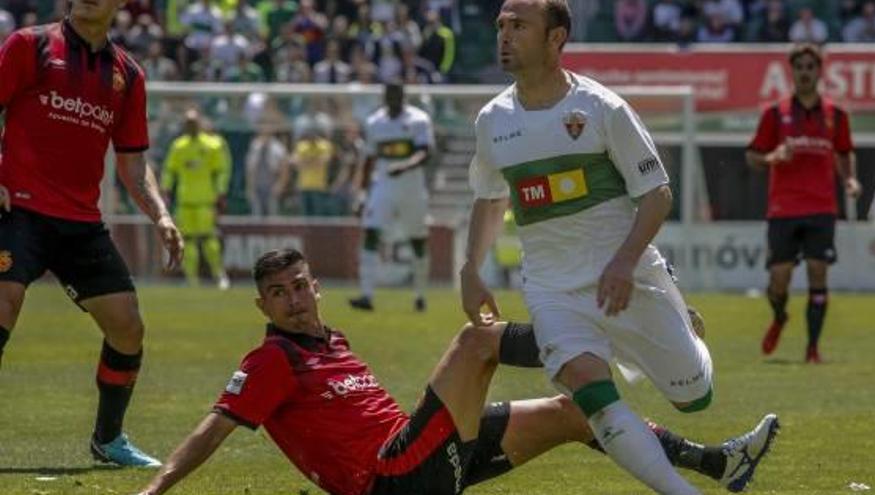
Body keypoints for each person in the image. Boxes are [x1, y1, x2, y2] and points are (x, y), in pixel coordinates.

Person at [136, 248, 778, 495]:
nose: (295, 298)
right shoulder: (273, 359)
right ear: (263, 306)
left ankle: (719, 465)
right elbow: (215, 427)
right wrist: (156, 487)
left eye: (301, 285)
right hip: (391, 479)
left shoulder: (333, 341)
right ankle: (619, 336)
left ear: (315, 287)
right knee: (477, 343)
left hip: (433, 460)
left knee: (574, 413)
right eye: (279, 293)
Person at [460, 1, 775, 493]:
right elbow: (490, 196)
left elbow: (657, 193)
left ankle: (686, 329)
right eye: (501, 25)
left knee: (695, 395)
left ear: (556, 38)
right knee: (592, 396)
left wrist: (626, 262)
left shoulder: (602, 108)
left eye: (519, 26)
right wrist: (470, 269)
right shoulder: (492, 120)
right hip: (551, 288)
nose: (504, 35)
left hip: (627, 277)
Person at [0, 0, 184, 467]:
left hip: (80, 221)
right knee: (3, 304)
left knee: (128, 327)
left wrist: (160, 215)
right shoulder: (31, 45)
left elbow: (133, 161)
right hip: (17, 208)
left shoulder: (129, 75)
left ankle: (108, 440)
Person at [746, 44, 861, 363]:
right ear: (792, 71)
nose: (806, 71)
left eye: (811, 66)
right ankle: (780, 316)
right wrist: (772, 157)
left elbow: (844, 151)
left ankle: (812, 349)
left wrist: (849, 179)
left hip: (822, 208)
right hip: (783, 209)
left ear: (819, 72)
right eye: (800, 67)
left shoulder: (835, 115)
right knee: (778, 280)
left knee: (817, 272)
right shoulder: (775, 113)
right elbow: (752, 156)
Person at [349, 82, 434, 312]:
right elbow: (368, 159)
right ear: (385, 97)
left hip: (412, 188)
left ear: (404, 96)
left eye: (397, 95)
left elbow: (425, 152)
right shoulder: (375, 122)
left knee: (417, 240)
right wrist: (362, 193)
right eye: (389, 95)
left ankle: (420, 294)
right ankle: (366, 295)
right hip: (383, 185)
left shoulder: (418, 119)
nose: (393, 99)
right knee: (370, 231)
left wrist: (405, 166)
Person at [162, 108, 231, 290]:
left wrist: (221, 191)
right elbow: (170, 170)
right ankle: (192, 280)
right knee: (188, 240)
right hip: (185, 202)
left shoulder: (212, 145)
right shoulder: (178, 146)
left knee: (209, 239)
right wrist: (166, 190)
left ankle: (219, 275)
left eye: (193, 122)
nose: (191, 126)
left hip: (205, 201)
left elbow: (221, 171)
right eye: (188, 123)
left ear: (199, 124)